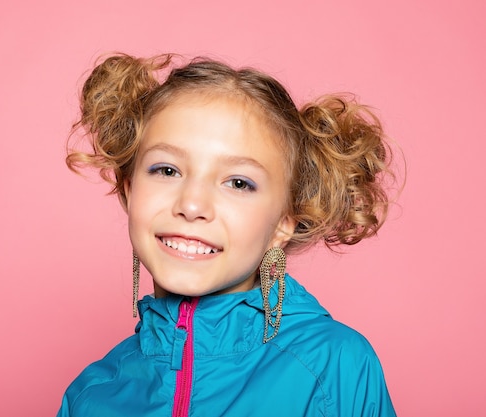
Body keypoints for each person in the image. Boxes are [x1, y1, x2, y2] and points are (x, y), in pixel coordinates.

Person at [56, 53, 397, 416]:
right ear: (129, 188)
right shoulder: (90, 396)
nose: (191, 204)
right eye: (167, 170)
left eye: (238, 182)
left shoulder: (334, 368)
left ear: (284, 221)